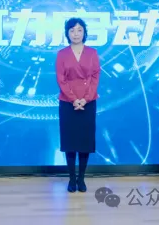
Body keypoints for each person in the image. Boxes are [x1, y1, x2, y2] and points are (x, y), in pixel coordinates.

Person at [55, 18, 100, 193]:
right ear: (67, 33)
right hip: (68, 103)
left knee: (84, 142)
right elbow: (61, 79)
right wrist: (74, 99)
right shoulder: (62, 54)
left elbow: (95, 77)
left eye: (79, 30)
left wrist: (85, 99)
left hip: (88, 103)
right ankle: (72, 179)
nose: (76, 34)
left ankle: (81, 179)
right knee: (70, 142)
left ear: (84, 33)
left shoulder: (92, 53)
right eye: (72, 30)